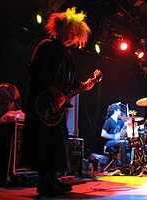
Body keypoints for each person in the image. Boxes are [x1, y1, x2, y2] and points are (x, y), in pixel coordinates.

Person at [20, 7, 94, 196]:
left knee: (56, 143)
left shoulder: (67, 55)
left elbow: (69, 83)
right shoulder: (46, 45)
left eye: (74, 35)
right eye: (69, 33)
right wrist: (54, 92)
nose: (71, 38)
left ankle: (52, 179)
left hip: (56, 110)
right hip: (43, 104)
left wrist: (85, 85)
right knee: (44, 142)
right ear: (59, 30)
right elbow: (38, 70)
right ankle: (44, 182)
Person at [101, 103, 129, 167]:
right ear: (115, 111)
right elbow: (103, 134)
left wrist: (126, 126)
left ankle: (128, 162)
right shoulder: (109, 121)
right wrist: (114, 137)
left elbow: (122, 133)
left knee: (126, 142)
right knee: (122, 143)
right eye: (119, 110)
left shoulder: (120, 121)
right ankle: (124, 165)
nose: (120, 112)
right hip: (109, 142)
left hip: (118, 142)